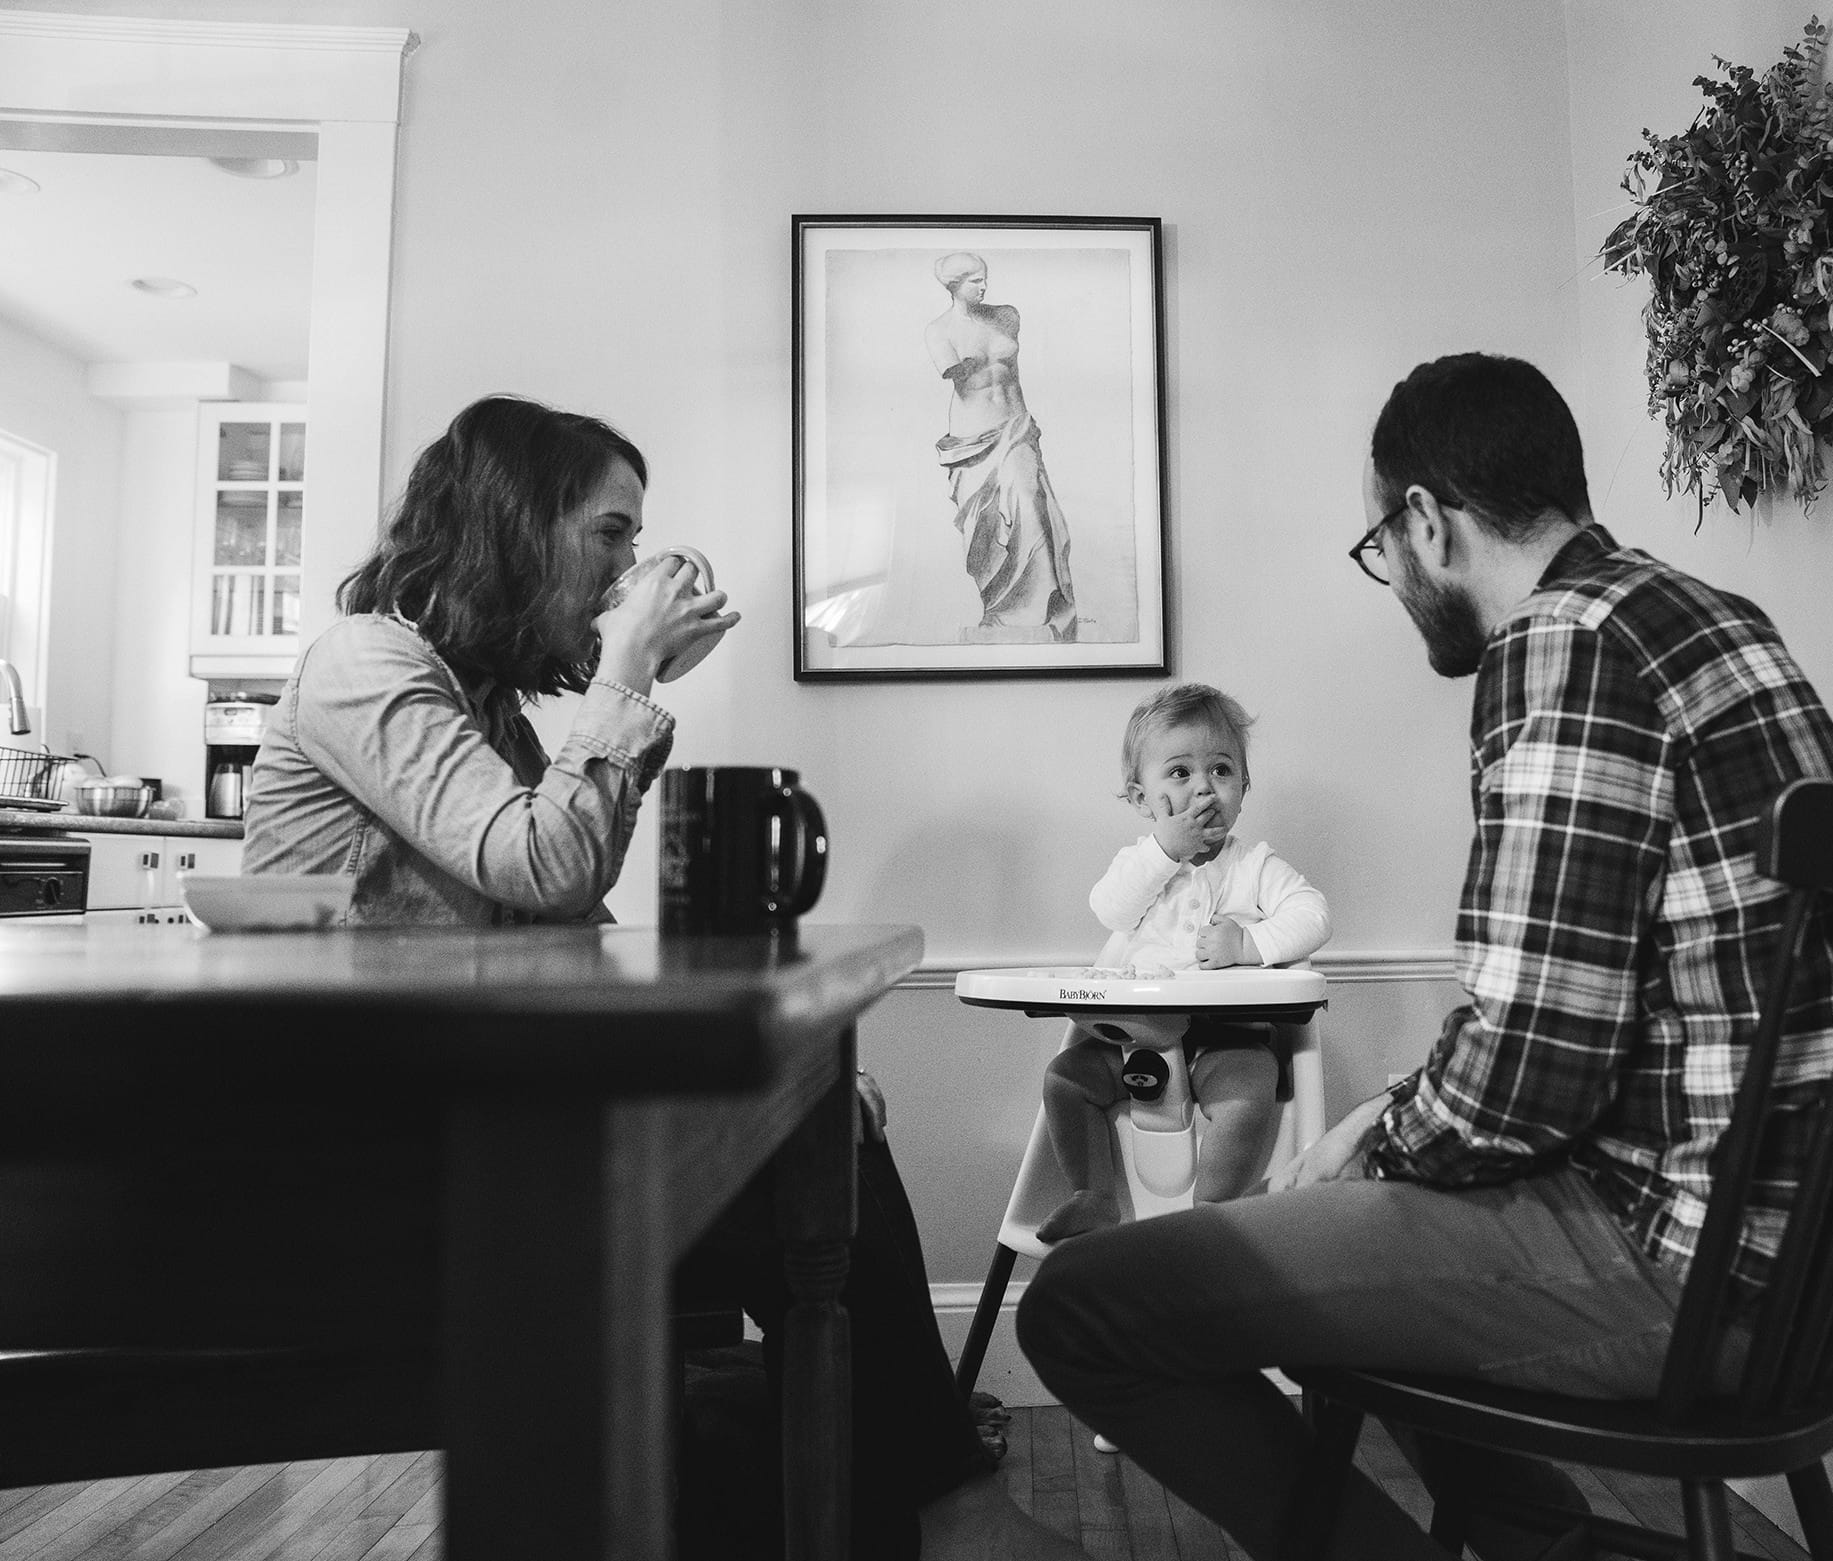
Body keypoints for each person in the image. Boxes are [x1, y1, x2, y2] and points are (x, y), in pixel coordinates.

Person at [1017, 353, 1833, 1559]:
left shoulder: (1564, 645)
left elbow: (1531, 1072)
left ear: (1426, 519)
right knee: (1360, 1212)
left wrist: (1371, 1142)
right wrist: (1390, 1127)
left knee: (1078, 1307)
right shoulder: (1713, 619)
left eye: (1383, 547)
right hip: (1789, 1264)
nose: (1393, 579)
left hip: (1673, 1273)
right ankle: (1549, 1546)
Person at [242, 395, 1085, 1561]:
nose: (629, 566)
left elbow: (571, 929)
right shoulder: (362, 662)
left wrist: (782, 1082)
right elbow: (539, 861)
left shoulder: (487, 715)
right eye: (610, 533)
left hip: (481, 1129)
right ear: (515, 522)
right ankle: (937, 1512)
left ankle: (904, 1509)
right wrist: (630, 674)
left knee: (824, 1139)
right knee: (810, 1177)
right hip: (374, 1163)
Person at [1034, 683, 1331, 1242]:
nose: (1202, 788)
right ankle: (1092, 1194)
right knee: (1064, 1081)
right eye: (1179, 773)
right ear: (1141, 799)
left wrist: (1248, 945)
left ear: (1244, 787)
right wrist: (1164, 851)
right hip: (1131, 1043)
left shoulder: (1256, 867)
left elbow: (1314, 916)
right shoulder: (1139, 865)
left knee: (1251, 1089)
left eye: (1220, 770)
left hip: (1227, 1041)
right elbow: (1110, 910)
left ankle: (1212, 1211)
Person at [925, 251, 1078, 643]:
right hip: (972, 439)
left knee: (1030, 503)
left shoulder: (1007, 315)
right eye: (975, 280)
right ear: (954, 285)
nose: (984, 286)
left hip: (1016, 428)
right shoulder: (939, 330)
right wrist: (968, 362)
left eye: (985, 278)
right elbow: (951, 371)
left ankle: (1039, 611)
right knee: (985, 526)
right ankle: (999, 612)